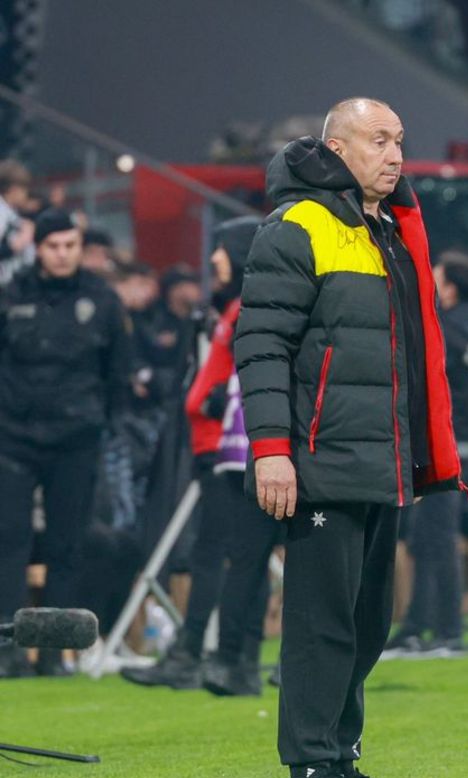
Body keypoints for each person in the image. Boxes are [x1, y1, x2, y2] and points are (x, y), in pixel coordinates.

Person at [235, 97, 462, 778]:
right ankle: (307, 771)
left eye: (400, 141)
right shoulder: (298, 225)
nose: (396, 155)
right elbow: (260, 346)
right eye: (379, 140)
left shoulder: (386, 229)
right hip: (320, 458)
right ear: (337, 149)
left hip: (379, 458)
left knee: (367, 624)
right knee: (320, 623)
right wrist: (272, 450)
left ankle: (340, 760)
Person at [121, 216, 281, 696]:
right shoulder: (230, 308)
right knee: (235, 554)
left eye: (222, 250)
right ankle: (224, 657)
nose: (214, 260)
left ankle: (205, 654)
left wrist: (219, 403)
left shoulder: (249, 308)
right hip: (214, 446)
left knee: (225, 554)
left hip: (228, 449)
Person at [0, 208, 130, 677]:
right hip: (13, 437)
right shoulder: (10, 294)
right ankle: (8, 651)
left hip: (76, 438)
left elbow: (118, 371)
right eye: (53, 246)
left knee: (66, 545)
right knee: (8, 541)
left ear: (79, 246)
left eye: (70, 245)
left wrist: (105, 424)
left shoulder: (103, 300)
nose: (62, 254)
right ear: (38, 248)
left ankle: (53, 654)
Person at [385, 250, 468, 655]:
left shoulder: (446, 328)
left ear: (450, 288)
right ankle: (418, 624)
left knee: (438, 535)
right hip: (466, 441)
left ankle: (448, 629)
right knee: (427, 535)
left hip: (445, 440)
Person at [0, 159, 34, 286]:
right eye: (24, 190)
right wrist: (17, 244)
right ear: (14, 189)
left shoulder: (11, 213)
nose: (26, 195)